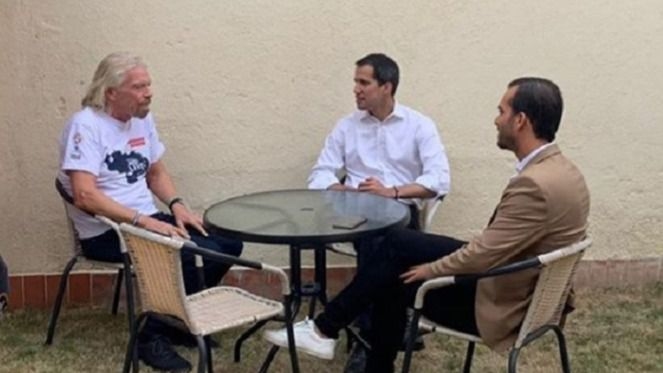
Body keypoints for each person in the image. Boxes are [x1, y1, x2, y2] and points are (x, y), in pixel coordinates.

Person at [265, 77, 590, 372]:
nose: (496, 119)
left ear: (520, 121)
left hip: (502, 304)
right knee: (398, 243)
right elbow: (496, 246)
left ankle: (329, 333)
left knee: (396, 277)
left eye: (501, 111)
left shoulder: (533, 184)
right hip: (527, 289)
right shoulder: (565, 172)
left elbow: (482, 256)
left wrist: (430, 270)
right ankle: (326, 330)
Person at [57, 52, 243, 372]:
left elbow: (155, 172)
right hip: (106, 232)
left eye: (149, 84)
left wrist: (177, 206)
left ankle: (176, 324)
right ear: (111, 92)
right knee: (181, 253)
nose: (149, 92)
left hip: (146, 219)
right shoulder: (85, 126)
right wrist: (142, 221)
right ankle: (150, 339)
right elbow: (85, 195)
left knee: (226, 245)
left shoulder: (142, 119)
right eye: (139, 86)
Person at [308, 53, 450, 231]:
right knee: (374, 236)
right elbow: (319, 175)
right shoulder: (346, 126)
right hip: (355, 213)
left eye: (364, 83)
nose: (356, 89)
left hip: (401, 210)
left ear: (386, 87)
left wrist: (391, 192)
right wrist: (350, 193)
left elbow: (439, 179)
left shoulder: (419, 125)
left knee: (383, 236)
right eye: (356, 82)